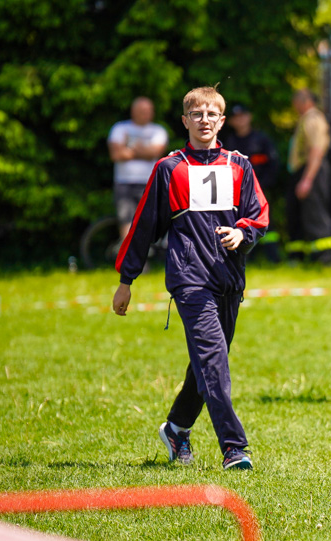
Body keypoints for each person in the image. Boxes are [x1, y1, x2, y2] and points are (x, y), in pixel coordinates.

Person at [112, 86, 270, 471]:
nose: (204, 121)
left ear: (222, 120)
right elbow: (143, 226)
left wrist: (242, 233)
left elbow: (260, 214)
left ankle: (177, 428)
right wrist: (126, 279)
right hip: (189, 278)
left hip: (228, 278)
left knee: (204, 365)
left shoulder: (239, 165)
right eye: (196, 114)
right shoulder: (170, 168)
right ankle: (234, 448)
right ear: (185, 121)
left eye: (211, 115)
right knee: (213, 363)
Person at [223, 104, 281, 262]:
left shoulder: (261, 139)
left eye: (243, 115)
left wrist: (264, 185)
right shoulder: (229, 142)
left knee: (267, 222)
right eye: (236, 117)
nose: (240, 120)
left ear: (250, 117)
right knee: (241, 221)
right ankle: (247, 257)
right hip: (237, 193)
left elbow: (273, 163)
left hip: (262, 189)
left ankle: (273, 258)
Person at [108, 96, 169, 242]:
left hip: (149, 182)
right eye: (142, 110)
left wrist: (130, 148)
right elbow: (116, 154)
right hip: (124, 183)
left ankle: (144, 254)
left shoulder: (158, 130)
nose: (146, 113)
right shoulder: (120, 128)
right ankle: (129, 258)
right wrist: (144, 151)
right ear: (133, 111)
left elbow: (155, 153)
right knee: (126, 219)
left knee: (148, 220)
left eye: (149, 110)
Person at [286, 89, 331, 265]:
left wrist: (307, 180)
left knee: (316, 214)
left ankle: (324, 258)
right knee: (302, 215)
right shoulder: (306, 118)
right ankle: (301, 257)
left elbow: (317, 150)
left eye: (296, 101)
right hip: (305, 171)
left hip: (312, 171)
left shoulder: (314, 119)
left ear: (305, 101)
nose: (294, 105)